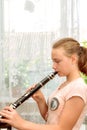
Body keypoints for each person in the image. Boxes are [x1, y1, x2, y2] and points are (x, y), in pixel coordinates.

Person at [0, 37, 87, 130]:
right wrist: (40, 101)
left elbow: (62, 128)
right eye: (53, 61)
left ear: (73, 59)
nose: (53, 66)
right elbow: (50, 119)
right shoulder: (65, 85)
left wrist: (21, 123)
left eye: (57, 61)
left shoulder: (78, 88)